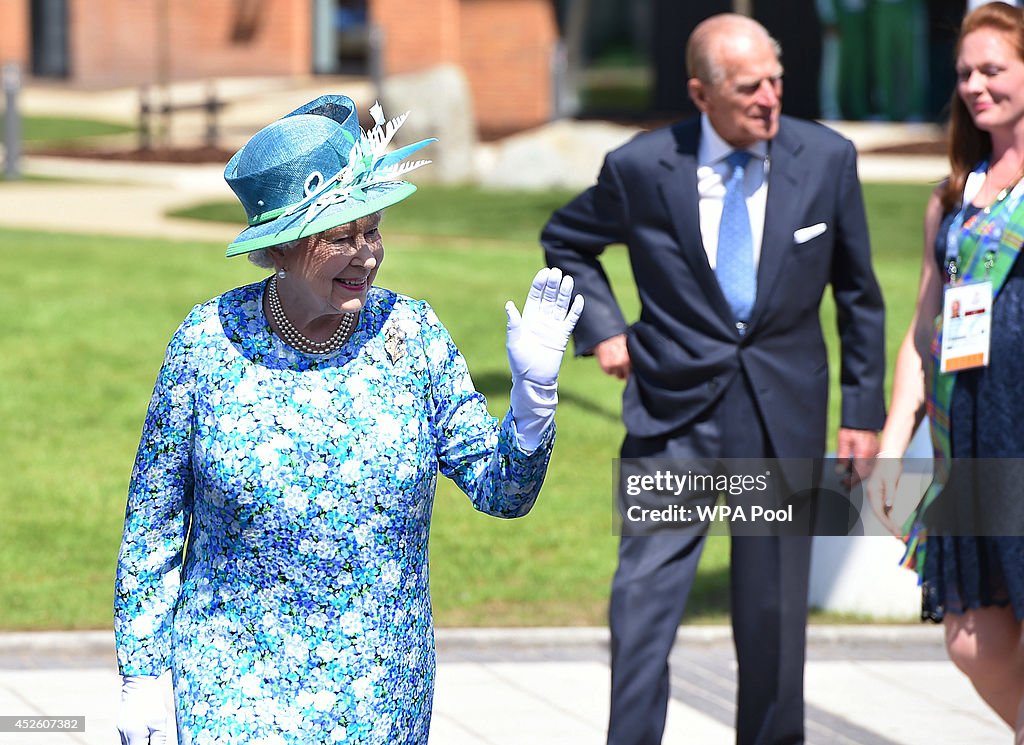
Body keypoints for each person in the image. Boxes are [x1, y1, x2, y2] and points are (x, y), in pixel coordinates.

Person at [113, 94, 583, 745]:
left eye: (374, 229)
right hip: (231, 688)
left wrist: (534, 398)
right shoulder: (206, 345)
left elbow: (502, 491)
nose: (367, 254)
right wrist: (142, 676)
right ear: (279, 249)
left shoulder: (411, 334)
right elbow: (153, 522)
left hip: (381, 696)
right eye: (341, 236)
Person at [541, 13, 885, 745]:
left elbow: (859, 295)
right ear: (701, 94)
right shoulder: (640, 167)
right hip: (673, 419)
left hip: (777, 418)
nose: (770, 99)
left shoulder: (825, 159)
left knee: (771, 616)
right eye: (750, 87)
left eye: (777, 81)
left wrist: (863, 409)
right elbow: (567, 241)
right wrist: (602, 327)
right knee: (642, 607)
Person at [867, 3, 1024, 739]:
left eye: (993, 68)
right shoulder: (954, 196)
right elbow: (924, 329)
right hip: (970, 446)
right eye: (965, 72)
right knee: (972, 639)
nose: (974, 85)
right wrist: (896, 435)